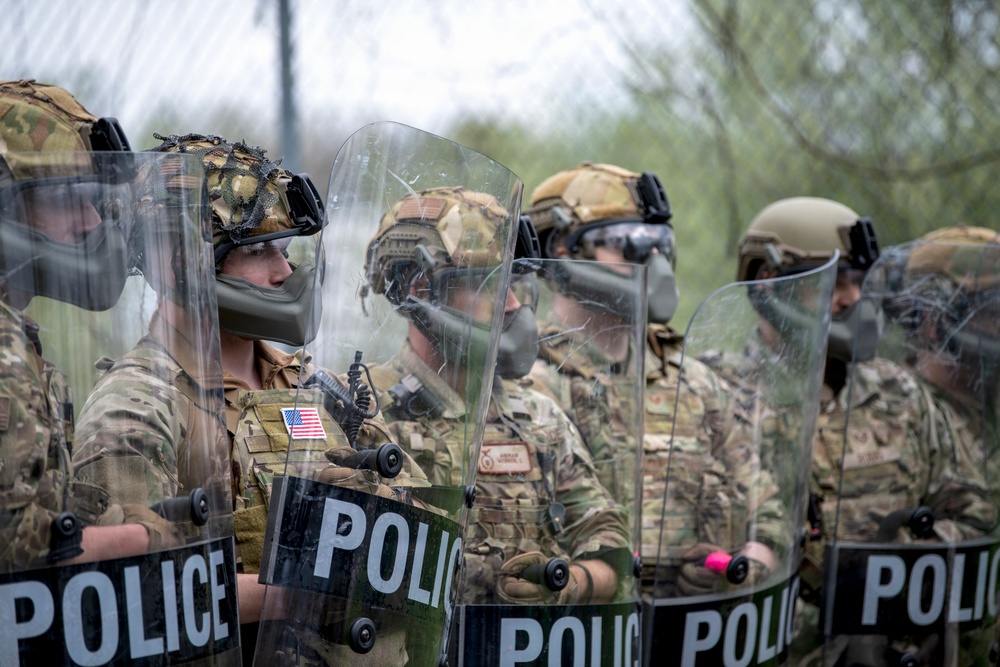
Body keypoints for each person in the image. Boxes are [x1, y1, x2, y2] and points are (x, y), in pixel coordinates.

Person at [72, 133, 422, 664]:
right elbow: (130, 602)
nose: (284, 274)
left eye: (284, 250)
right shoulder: (138, 407)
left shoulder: (311, 387)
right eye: (256, 252)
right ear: (178, 264)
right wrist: (304, 591)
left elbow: (425, 532)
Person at [730, 198, 996, 666]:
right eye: (833, 281)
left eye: (859, 280)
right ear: (769, 287)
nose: (852, 297)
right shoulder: (719, 397)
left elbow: (971, 511)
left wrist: (908, 560)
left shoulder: (899, 393)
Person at [523, 163, 784, 603]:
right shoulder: (525, 383)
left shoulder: (693, 384)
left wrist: (744, 570)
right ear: (563, 252)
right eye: (631, 244)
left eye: (661, 244)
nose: (654, 262)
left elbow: (769, 516)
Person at [0, 79, 175, 573]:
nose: (92, 222)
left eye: (94, 200)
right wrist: (139, 540)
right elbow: (13, 550)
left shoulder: (19, 342)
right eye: (66, 198)